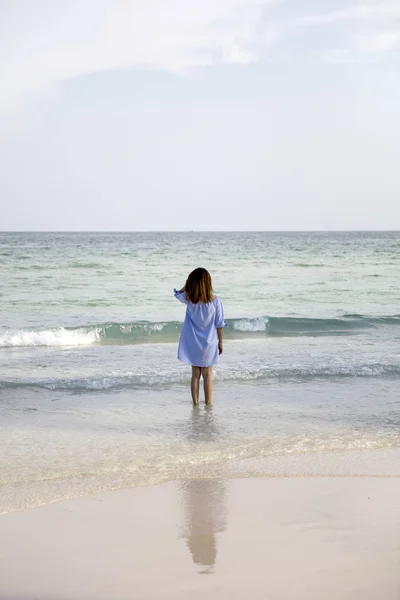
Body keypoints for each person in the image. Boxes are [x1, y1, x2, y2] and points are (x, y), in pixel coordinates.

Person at [174, 268, 225, 406]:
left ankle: (195, 404)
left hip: (193, 342)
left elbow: (178, 294)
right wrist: (221, 342)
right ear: (208, 283)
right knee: (208, 374)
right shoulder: (215, 301)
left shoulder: (190, 300)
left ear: (192, 283)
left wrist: (187, 284)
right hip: (209, 342)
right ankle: (208, 404)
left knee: (195, 375)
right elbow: (219, 324)